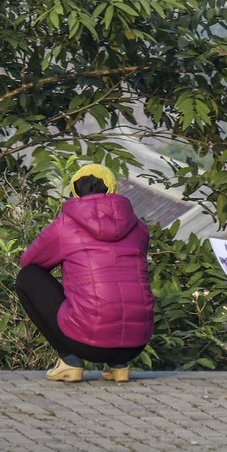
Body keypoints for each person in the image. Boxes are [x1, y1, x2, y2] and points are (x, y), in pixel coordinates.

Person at [17, 162, 154, 382]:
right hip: (135, 344)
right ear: (112, 189)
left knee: (27, 277)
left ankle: (69, 361)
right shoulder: (139, 227)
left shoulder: (65, 224)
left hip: (88, 344)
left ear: (75, 192)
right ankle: (118, 366)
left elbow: (29, 261)